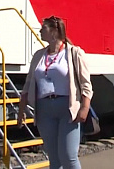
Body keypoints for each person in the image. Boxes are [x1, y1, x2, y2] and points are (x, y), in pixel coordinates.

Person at [17, 16, 93, 169]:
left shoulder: (74, 53)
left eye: (43, 28)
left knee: (68, 156)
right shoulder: (39, 56)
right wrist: (21, 108)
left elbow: (86, 85)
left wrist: (84, 107)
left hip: (67, 109)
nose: (39, 31)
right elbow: (29, 83)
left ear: (53, 32)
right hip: (44, 110)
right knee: (54, 158)